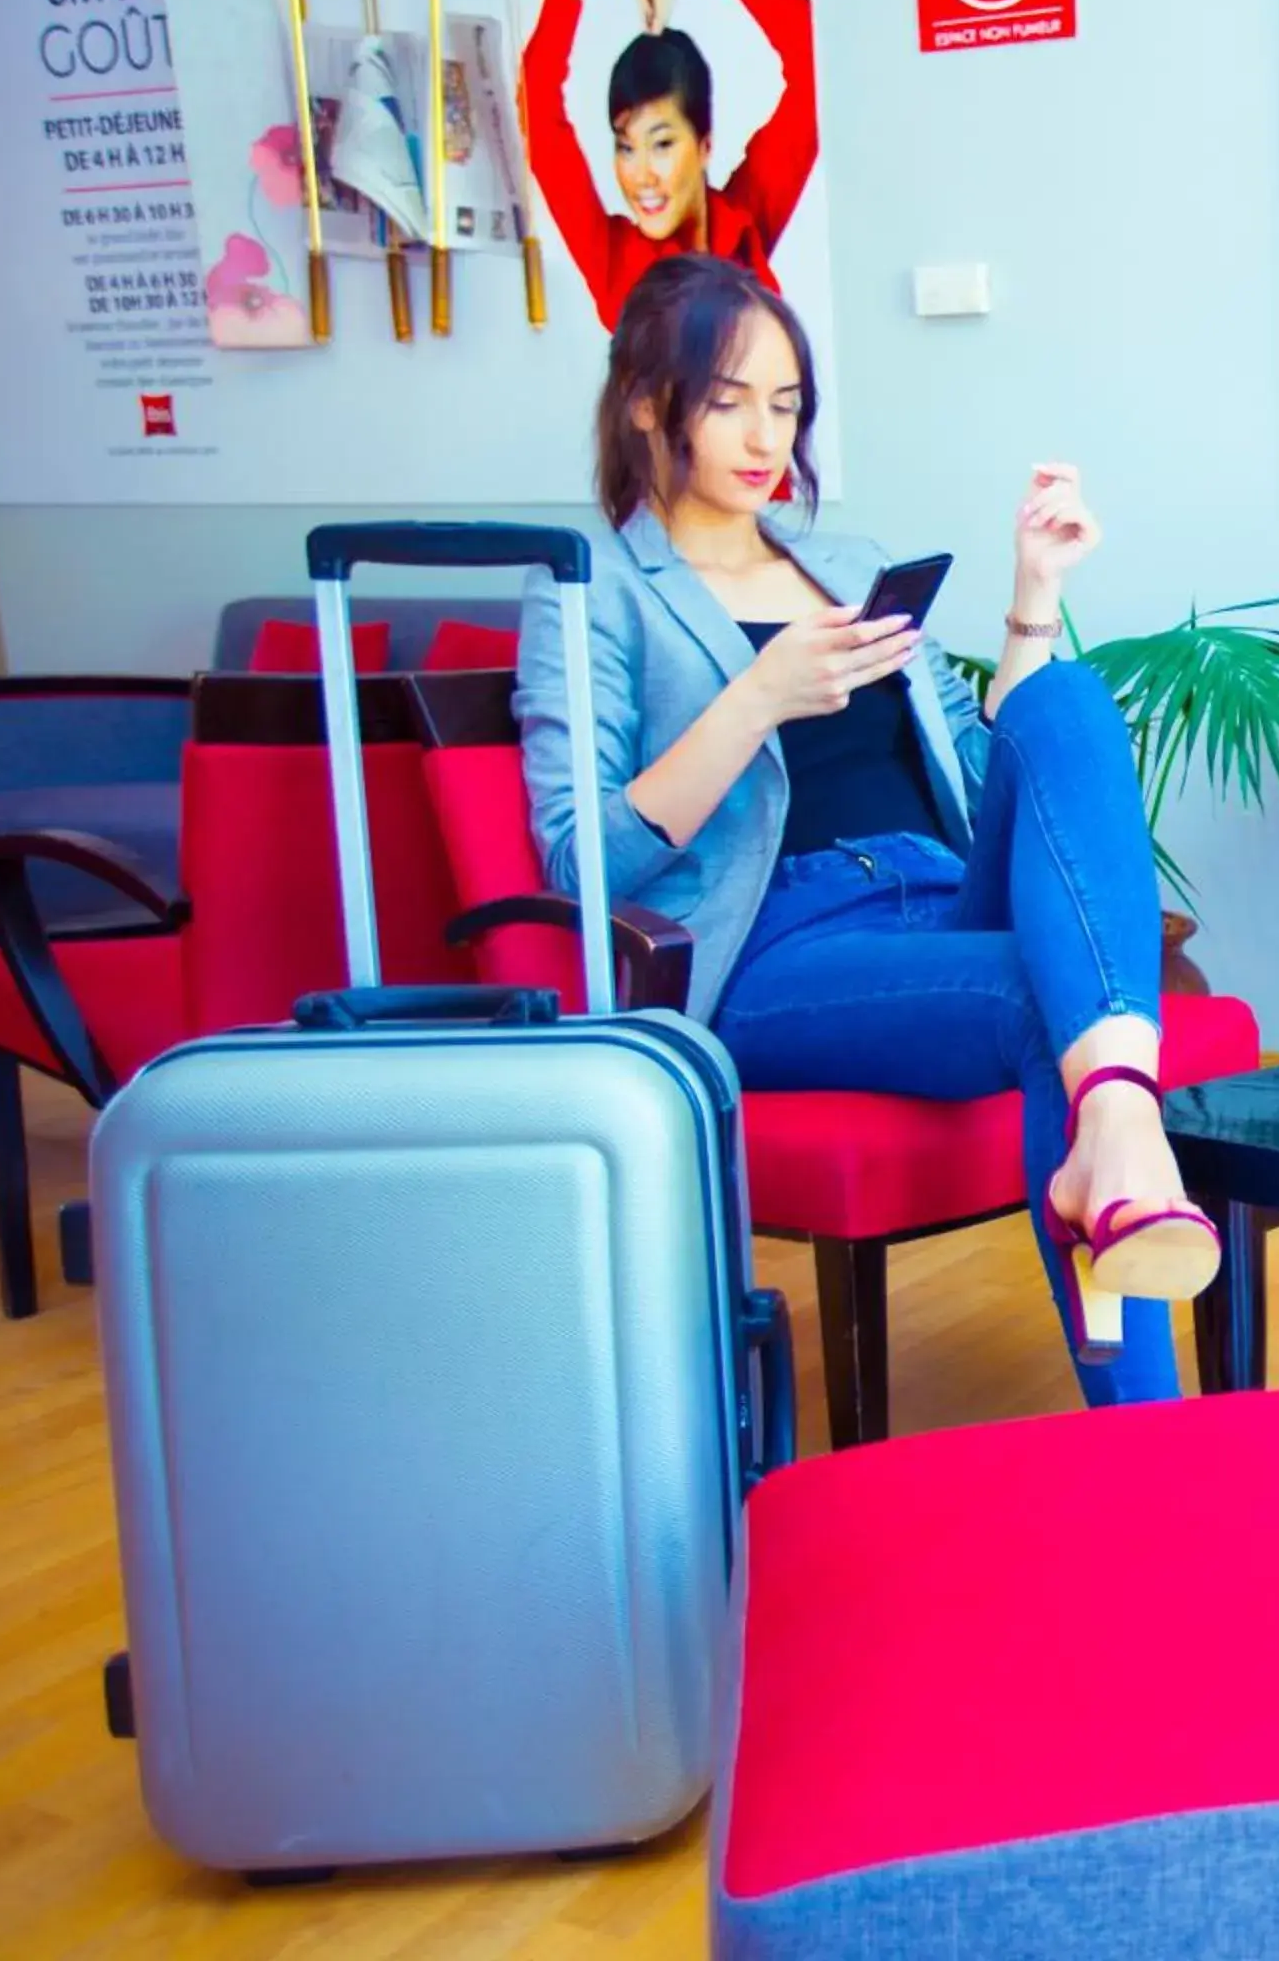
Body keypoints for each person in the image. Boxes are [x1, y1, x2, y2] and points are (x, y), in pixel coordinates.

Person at [512, 253, 1211, 1405]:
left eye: (784, 405)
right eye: (729, 398)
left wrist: (1033, 599)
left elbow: (1000, 781)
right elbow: (584, 861)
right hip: (777, 947)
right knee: (1052, 1002)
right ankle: (1153, 1425)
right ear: (647, 399)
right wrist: (758, 696)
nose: (763, 435)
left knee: (1069, 699)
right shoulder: (592, 589)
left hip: (939, 889)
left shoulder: (842, 564)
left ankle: (1117, 1126)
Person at [524, 0, 817, 330]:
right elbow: (535, 103)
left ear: (704, 146)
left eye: (661, 144)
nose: (641, 176)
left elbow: (819, 67)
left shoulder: (743, 224)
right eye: (626, 148)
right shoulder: (616, 265)